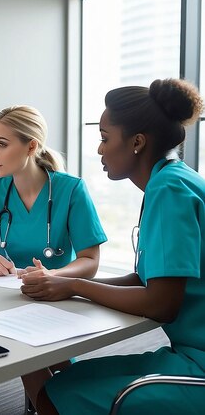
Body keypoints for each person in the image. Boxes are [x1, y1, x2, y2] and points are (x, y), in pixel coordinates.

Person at [20, 78, 205, 415]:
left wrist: (75, 284)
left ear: (137, 142)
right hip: (190, 351)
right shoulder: (172, 179)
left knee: (53, 398)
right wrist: (68, 287)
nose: (99, 150)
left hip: (199, 366)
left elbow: (162, 303)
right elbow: (146, 279)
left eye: (105, 138)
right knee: (68, 377)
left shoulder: (169, 191)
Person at [0, 105, 106, 279]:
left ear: (31, 146)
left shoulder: (71, 190)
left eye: (2, 144)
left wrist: (52, 274)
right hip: (5, 293)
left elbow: (90, 260)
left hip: (58, 295)